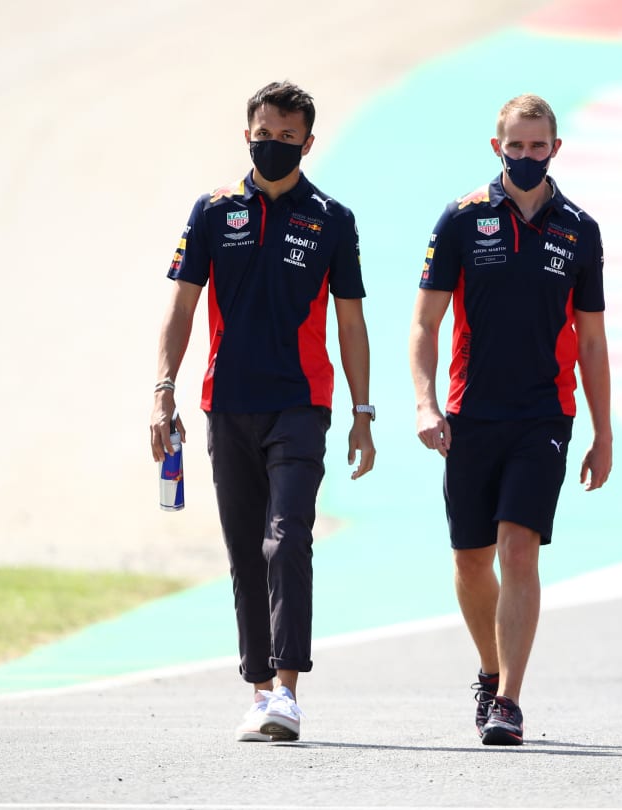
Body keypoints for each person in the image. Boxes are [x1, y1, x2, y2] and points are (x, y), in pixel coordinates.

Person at [149, 80, 377, 743]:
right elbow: (182, 305)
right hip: (226, 405)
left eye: (287, 137)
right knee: (246, 551)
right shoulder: (212, 212)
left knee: (287, 539)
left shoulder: (333, 220)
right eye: (263, 133)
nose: (273, 145)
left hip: (302, 404)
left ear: (308, 142)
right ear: (246, 134)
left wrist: (362, 411)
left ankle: (287, 691)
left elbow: (351, 321)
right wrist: (163, 388)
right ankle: (258, 691)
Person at [409, 94, 612, 746]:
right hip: (471, 414)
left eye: (538, 146)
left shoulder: (579, 228)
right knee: (472, 560)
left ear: (556, 148)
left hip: (544, 415)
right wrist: (425, 402)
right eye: (515, 147)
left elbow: (591, 341)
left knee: (518, 548)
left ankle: (509, 702)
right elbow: (424, 324)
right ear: (496, 147)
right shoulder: (461, 220)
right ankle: (491, 672)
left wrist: (603, 433)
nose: (526, 157)